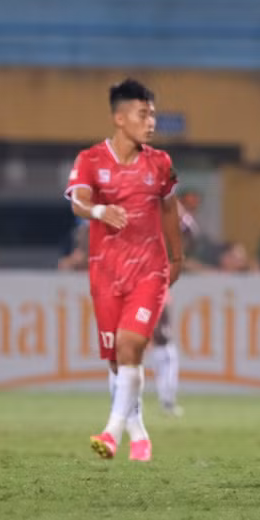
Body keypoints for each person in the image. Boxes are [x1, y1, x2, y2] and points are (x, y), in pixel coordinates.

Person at [64, 78, 184, 462]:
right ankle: (140, 434)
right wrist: (100, 211)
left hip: (149, 270)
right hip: (105, 272)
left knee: (131, 345)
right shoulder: (91, 160)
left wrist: (176, 258)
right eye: (143, 114)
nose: (151, 122)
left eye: (153, 114)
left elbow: (169, 209)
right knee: (118, 359)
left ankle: (111, 433)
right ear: (120, 118)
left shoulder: (160, 163)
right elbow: (78, 202)